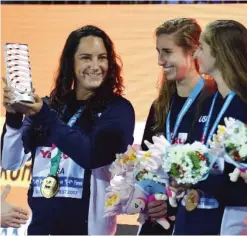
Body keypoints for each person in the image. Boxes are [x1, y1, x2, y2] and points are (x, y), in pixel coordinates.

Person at [1, 25, 135, 235]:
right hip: (40, 230)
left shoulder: (118, 110)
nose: (95, 65)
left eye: (102, 57)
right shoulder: (50, 106)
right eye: (86, 57)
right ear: (70, 62)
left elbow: (92, 155)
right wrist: (14, 116)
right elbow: (10, 162)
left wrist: (44, 115)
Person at [139, 18, 216, 235]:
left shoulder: (215, 102)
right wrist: (149, 199)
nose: (160, 60)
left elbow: (217, 166)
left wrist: (172, 203)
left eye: (167, 52)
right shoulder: (160, 106)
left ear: (193, 51)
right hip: (158, 222)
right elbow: (145, 163)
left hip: (197, 219)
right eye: (158, 51)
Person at [172, 19, 247, 235]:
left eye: (202, 47)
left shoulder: (243, 105)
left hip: (230, 221)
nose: (195, 55)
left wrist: (196, 177)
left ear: (221, 53)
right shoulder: (206, 102)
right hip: (193, 220)